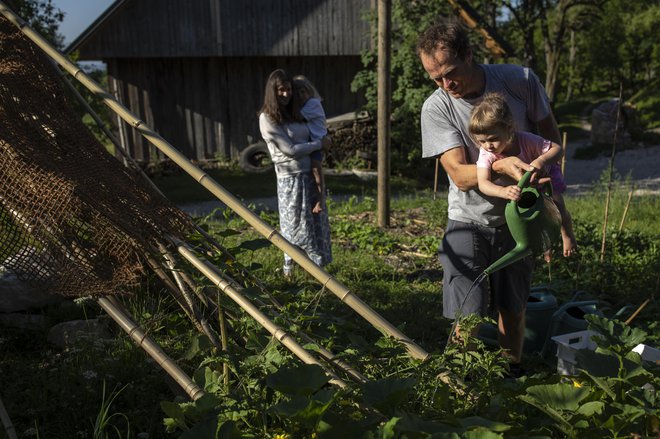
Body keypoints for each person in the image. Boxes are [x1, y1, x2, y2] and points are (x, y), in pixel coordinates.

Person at [417, 20, 566, 373]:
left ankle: (508, 377)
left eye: (450, 74)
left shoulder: (520, 81)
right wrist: (502, 166)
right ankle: (457, 379)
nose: (445, 85)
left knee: (513, 308)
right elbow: (458, 174)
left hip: (521, 220)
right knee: (467, 311)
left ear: (469, 54)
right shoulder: (436, 107)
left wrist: (546, 176)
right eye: (435, 78)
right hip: (469, 220)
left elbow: (551, 138)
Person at [471, 92, 577, 258]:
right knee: (534, 215)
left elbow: (558, 149)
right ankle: (545, 245)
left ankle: (567, 235)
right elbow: (483, 183)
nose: (488, 145)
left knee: (557, 207)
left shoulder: (526, 140)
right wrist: (502, 192)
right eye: (481, 141)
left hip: (546, 176)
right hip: (526, 186)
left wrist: (541, 161)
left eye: (493, 139)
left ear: (509, 128)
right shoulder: (486, 153)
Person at [258, 69, 332, 276]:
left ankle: (317, 271)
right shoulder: (267, 118)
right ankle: (289, 270)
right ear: (272, 91)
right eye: (280, 90)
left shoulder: (295, 111)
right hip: (289, 178)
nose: (285, 94)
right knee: (294, 224)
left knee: (315, 222)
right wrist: (319, 143)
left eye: (288, 89)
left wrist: (319, 145)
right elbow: (289, 150)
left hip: (309, 174)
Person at [293, 75, 328, 214]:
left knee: (316, 169)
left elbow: (298, 116)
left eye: (303, 91)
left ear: (310, 91)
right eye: (298, 93)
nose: (301, 95)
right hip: (313, 141)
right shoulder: (306, 104)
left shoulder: (313, 103)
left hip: (318, 140)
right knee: (312, 171)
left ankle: (321, 198)